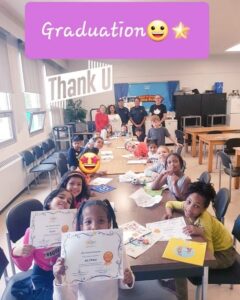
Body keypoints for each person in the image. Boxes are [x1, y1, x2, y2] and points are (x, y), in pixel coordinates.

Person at [164, 181, 237, 300]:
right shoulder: (187, 205)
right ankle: (176, 284)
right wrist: (168, 213)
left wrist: (199, 233)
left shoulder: (204, 222)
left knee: (179, 266)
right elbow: (170, 203)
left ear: (204, 209)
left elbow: (210, 256)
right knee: (177, 257)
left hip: (225, 255)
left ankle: (181, 297)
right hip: (218, 249)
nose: (189, 208)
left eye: (196, 206)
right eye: (188, 202)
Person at [53, 200, 134, 300]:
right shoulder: (73, 251)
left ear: (109, 225)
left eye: (101, 221)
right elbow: (67, 298)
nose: (94, 227)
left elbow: (124, 279)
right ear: (82, 227)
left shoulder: (117, 246)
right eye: (88, 222)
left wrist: (128, 280)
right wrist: (59, 279)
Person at [11, 187, 74, 300]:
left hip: (64, 269)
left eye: (69, 201)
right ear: (49, 201)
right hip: (42, 273)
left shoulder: (71, 227)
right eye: (61, 197)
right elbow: (25, 267)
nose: (65, 201)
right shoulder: (33, 230)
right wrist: (17, 252)